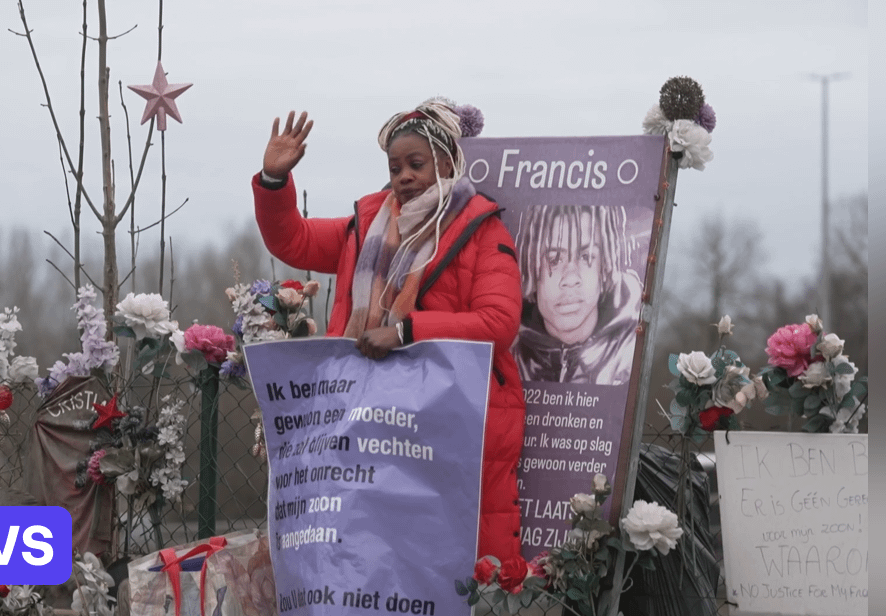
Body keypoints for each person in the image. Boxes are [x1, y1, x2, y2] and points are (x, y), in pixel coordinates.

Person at [251, 99, 527, 565]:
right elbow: (291, 240)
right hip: (363, 420)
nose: (403, 176)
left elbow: (499, 323)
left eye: (415, 164)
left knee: (442, 567)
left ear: (445, 162)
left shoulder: (482, 229)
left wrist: (405, 331)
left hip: (445, 420)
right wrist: (275, 181)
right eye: (395, 166)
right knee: (363, 562)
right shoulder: (366, 223)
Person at [512, 204, 642, 385]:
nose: (571, 278)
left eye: (586, 256)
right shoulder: (506, 356)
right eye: (554, 259)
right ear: (532, 266)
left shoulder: (637, 356)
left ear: (604, 265)